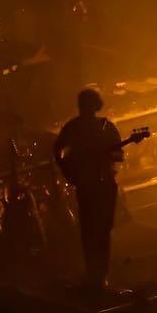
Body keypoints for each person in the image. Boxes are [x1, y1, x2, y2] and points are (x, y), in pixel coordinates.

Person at [52, 87, 123, 295]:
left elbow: (57, 150)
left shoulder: (75, 127)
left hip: (92, 184)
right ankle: (98, 277)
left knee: (94, 231)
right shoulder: (104, 126)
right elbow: (119, 155)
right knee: (99, 231)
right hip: (97, 184)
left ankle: (97, 276)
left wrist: (70, 170)